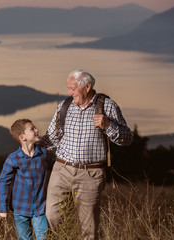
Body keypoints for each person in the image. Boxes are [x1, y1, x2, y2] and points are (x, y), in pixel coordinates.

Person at [41, 69, 132, 240]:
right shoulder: (64, 106)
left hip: (91, 174)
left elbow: (127, 138)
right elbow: (52, 137)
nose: (69, 92)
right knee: (52, 218)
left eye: (73, 88)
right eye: (68, 88)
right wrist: (31, 149)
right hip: (61, 170)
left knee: (89, 229)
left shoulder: (108, 107)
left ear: (87, 87)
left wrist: (107, 126)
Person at [0, 119, 51, 240]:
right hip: (20, 209)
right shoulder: (13, 158)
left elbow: (54, 169)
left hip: (40, 208)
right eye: (32, 129)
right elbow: (2, 182)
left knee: (44, 237)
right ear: (23, 137)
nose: (37, 130)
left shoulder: (43, 154)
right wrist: (2, 208)